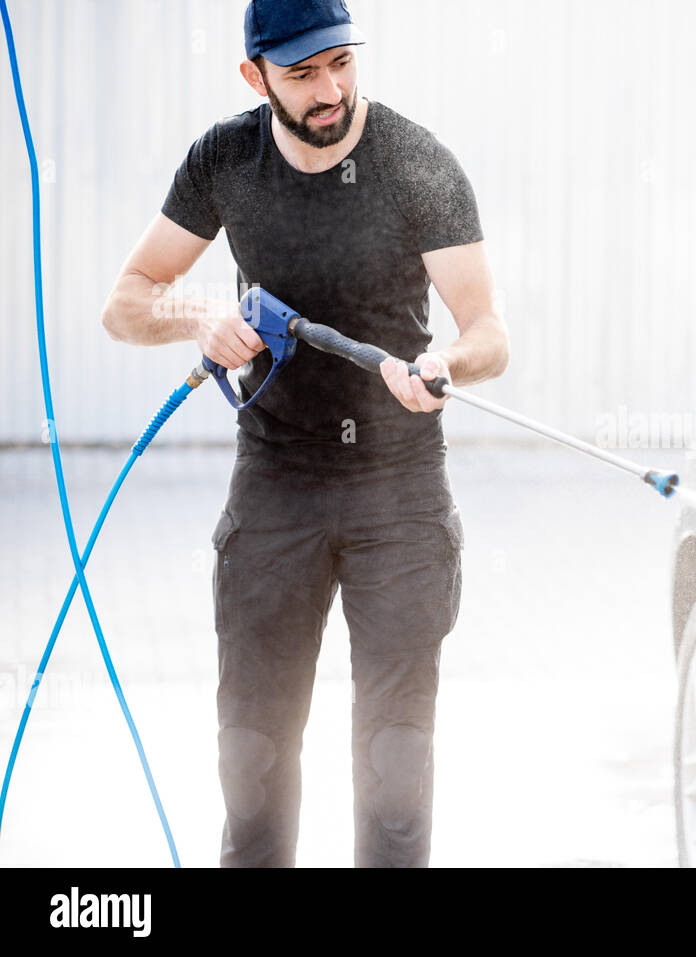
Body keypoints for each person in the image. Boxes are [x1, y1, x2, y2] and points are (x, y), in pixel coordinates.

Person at [100, 0, 508, 867]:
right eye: (302, 73)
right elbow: (126, 303)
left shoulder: (413, 163)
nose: (330, 91)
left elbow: (489, 336)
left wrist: (446, 363)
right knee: (251, 761)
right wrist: (198, 316)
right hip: (277, 484)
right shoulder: (225, 161)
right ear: (255, 77)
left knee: (396, 768)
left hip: (399, 492)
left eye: (341, 63)